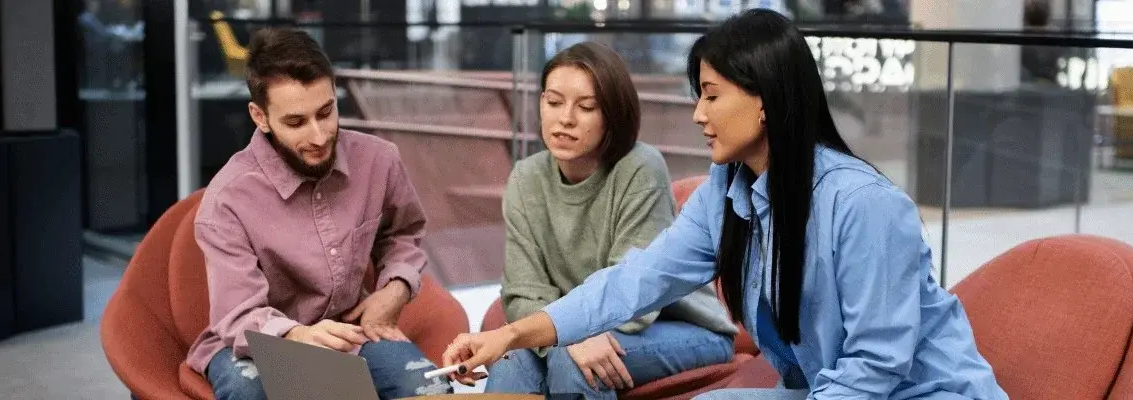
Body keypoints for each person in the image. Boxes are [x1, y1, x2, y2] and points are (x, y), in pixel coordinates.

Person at [443, 9, 1009, 400]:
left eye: (712, 95)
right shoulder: (727, 192)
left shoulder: (864, 206)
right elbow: (635, 281)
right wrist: (512, 335)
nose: (698, 114)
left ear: (765, 101)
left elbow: (876, 367)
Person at [184, 27, 452, 399]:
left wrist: (397, 287)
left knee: (432, 390)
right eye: (296, 122)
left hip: (348, 332)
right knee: (248, 393)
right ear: (260, 116)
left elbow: (403, 234)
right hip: (257, 343)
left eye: (326, 112)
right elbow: (237, 313)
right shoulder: (227, 200)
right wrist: (297, 335)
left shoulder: (378, 160)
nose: (319, 136)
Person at [484, 41, 739, 398]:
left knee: (571, 362)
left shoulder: (640, 168)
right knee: (514, 361)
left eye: (586, 107)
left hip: (682, 328)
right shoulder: (526, 179)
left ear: (612, 115)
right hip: (579, 324)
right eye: (554, 102)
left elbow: (637, 296)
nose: (565, 119)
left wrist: (567, 336)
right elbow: (522, 293)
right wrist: (565, 335)